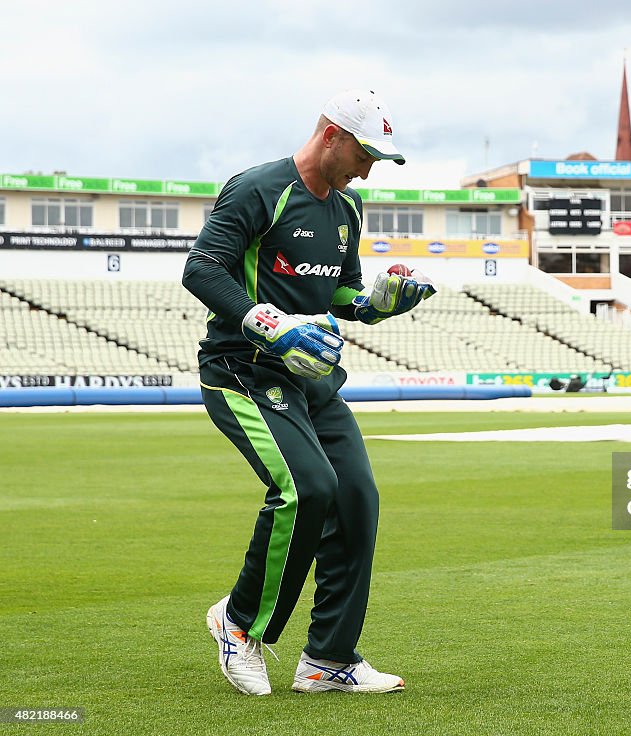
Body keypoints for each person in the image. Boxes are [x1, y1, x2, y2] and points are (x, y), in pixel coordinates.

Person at [182, 89, 435, 695]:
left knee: (355, 500)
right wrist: (267, 322)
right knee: (307, 486)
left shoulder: (347, 211)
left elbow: (340, 297)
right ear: (331, 135)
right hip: (244, 371)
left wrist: (379, 302)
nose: (370, 166)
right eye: (366, 153)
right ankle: (237, 625)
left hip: (314, 382)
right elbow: (203, 269)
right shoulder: (258, 190)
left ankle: (329, 659)